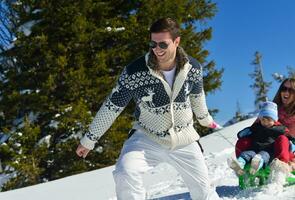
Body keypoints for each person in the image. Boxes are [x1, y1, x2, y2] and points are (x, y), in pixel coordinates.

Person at [76, 18, 221, 200]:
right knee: (124, 172)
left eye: (163, 44)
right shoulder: (134, 72)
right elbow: (112, 106)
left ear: (177, 42)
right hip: (147, 136)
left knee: (204, 191)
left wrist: (205, 120)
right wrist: (89, 140)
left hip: (184, 137)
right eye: (153, 43)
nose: (157, 49)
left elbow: (197, 98)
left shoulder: (193, 68)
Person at [235, 78, 295, 178]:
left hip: (288, 151)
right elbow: (255, 127)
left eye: (291, 90)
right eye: (284, 89)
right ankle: (243, 167)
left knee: (283, 139)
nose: (286, 92)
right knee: (244, 141)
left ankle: (282, 168)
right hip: (265, 146)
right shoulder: (272, 109)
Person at [229, 101, 288, 176]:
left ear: (274, 120)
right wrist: (246, 132)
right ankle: (240, 164)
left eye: (269, 120)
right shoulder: (256, 127)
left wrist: (291, 144)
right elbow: (240, 135)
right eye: (263, 120)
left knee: (262, 156)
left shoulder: (279, 129)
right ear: (260, 119)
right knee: (246, 154)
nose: (265, 122)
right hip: (254, 149)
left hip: (269, 151)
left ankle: (256, 166)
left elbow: (286, 139)